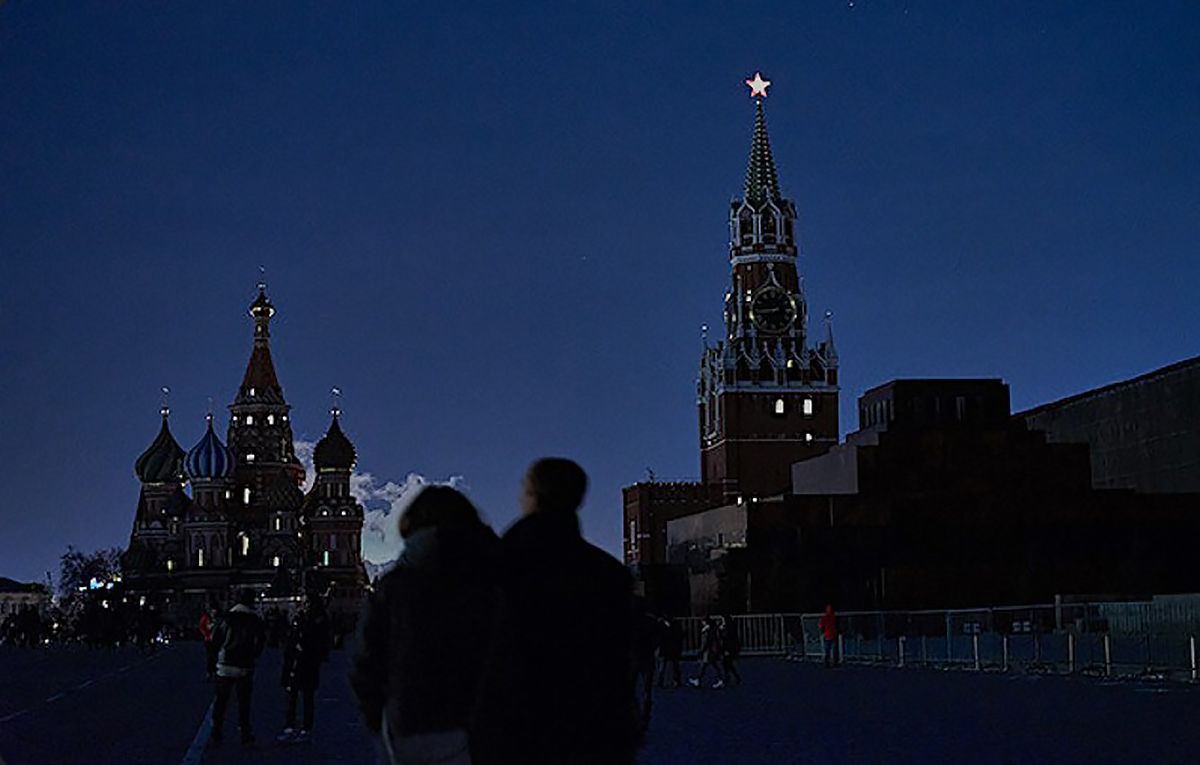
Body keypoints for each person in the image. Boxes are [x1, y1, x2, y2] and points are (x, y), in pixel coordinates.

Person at [473, 458, 638, 765]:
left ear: (533, 496)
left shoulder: (497, 567)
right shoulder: (609, 575)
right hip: (594, 736)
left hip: (514, 735)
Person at [350, 485, 499, 765]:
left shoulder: (396, 586)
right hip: (480, 723)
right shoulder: (495, 578)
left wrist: (380, 716)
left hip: (410, 723)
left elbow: (367, 663)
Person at [210, 589, 266, 746]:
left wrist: (216, 656)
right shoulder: (254, 620)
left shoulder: (227, 618)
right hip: (245, 663)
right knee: (244, 702)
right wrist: (254, 655)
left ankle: (217, 730)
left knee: (221, 700)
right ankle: (245, 732)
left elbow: (215, 639)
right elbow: (261, 640)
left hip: (225, 662)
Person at [277, 591, 331, 743]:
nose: (304, 605)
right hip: (296, 660)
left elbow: (320, 641)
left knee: (306, 696)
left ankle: (305, 727)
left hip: (307, 660)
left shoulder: (317, 620)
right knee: (293, 695)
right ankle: (291, 724)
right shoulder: (300, 617)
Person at [688, 617, 724, 688]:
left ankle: (698, 679)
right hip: (712, 650)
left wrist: (701, 651)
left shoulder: (706, 630)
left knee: (704, 666)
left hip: (708, 651)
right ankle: (720, 679)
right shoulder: (713, 629)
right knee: (713, 666)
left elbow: (705, 642)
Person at [656, 616, 683, 688]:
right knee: (673, 665)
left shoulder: (660, 625)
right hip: (670, 648)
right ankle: (675, 680)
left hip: (666, 648)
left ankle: (662, 681)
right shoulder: (676, 625)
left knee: (664, 666)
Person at [720, 614, 742, 686]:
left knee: (727, 663)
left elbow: (727, 639)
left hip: (729, 648)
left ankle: (730, 677)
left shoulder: (728, 629)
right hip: (729, 647)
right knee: (727, 663)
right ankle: (732, 677)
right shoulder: (730, 627)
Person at [199, 601, 218, 681]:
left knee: (216, 656)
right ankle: (210, 672)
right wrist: (206, 634)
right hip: (209, 639)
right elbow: (202, 627)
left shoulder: (217, 618)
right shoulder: (206, 618)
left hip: (216, 640)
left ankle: (215, 672)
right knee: (210, 656)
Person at [819, 604, 839, 668]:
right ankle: (829, 663)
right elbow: (821, 626)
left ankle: (831, 663)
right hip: (829, 635)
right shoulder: (827, 617)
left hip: (832, 635)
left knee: (831, 650)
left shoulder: (833, 617)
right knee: (829, 650)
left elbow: (821, 626)